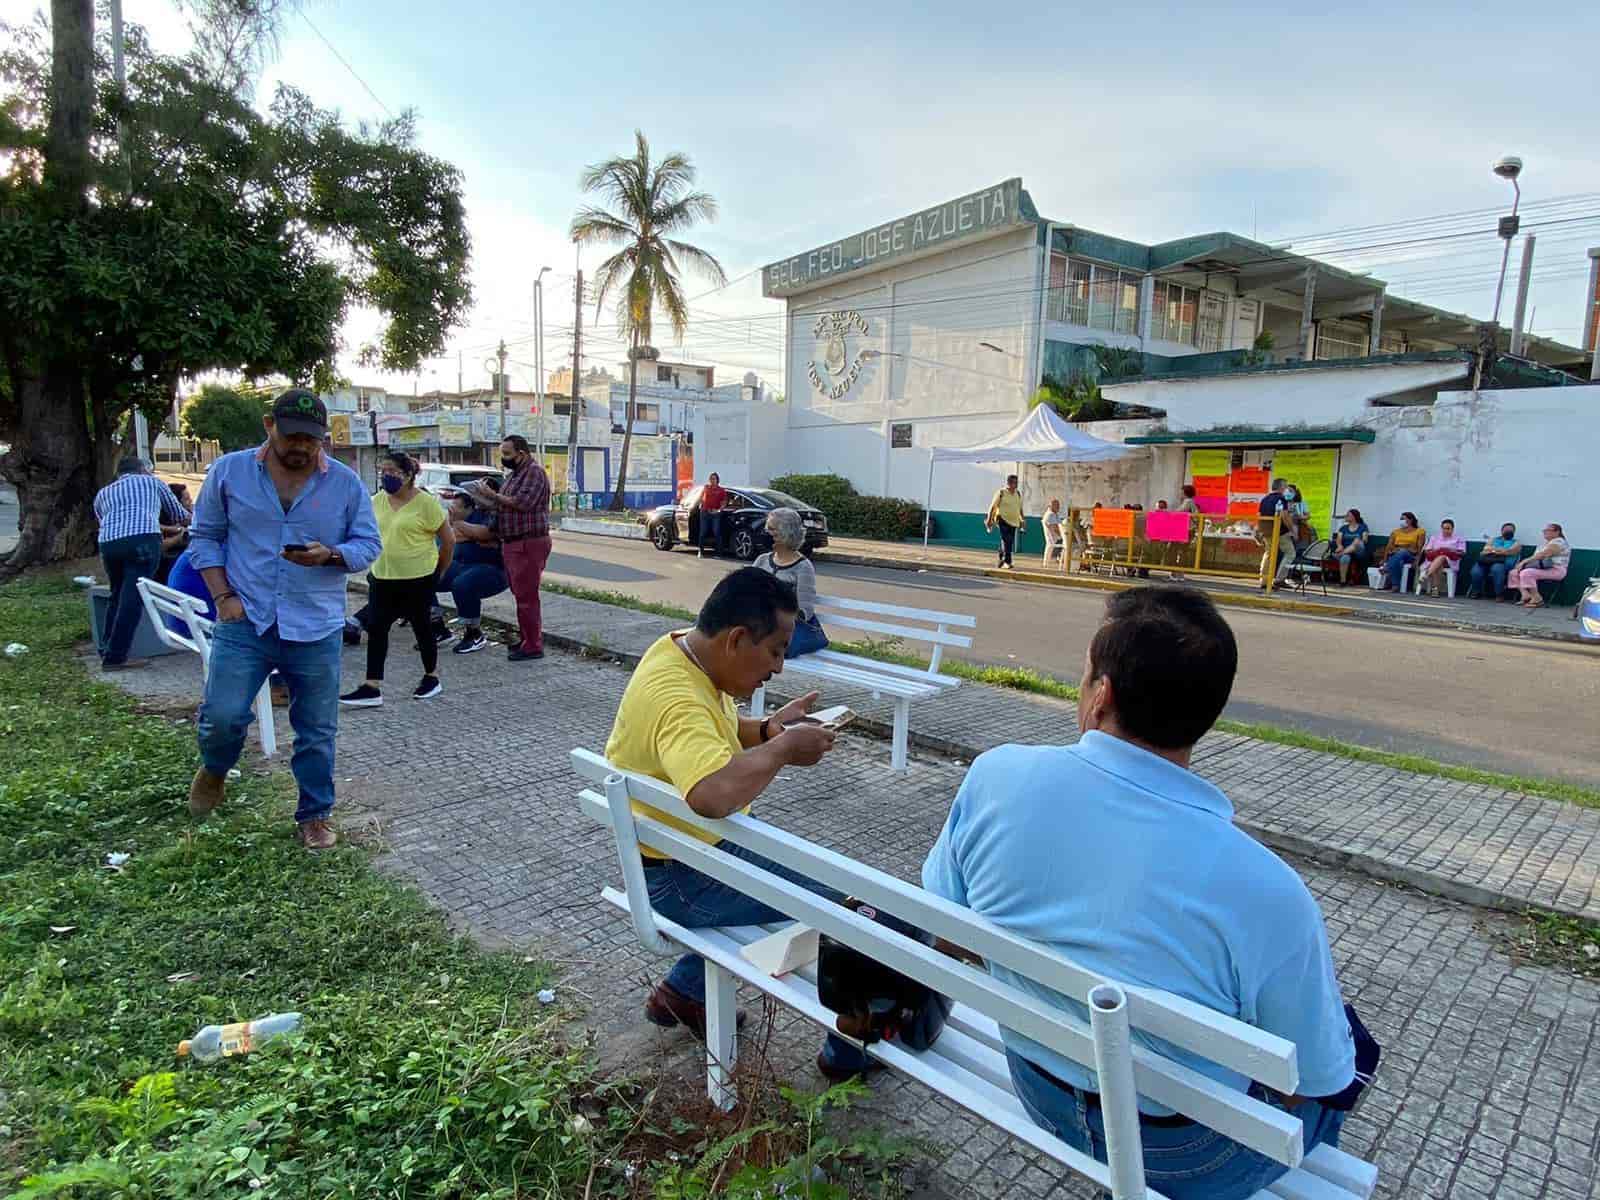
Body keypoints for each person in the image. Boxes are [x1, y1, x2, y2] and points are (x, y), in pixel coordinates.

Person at [922, 588, 1356, 1199]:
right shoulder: (1268, 889)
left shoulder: (996, 774)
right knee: (1347, 1055)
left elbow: (947, 918)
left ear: (1102, 695)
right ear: (1209, 712)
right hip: (1185, 1156)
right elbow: (1314, 1078)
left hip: (1040, 1086)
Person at [604, 568, 872, 1080]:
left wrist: (770, 727)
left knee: (809, 877)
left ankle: (682, 993)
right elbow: (711, 794)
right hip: (682, 878)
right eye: (774, 651)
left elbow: (715, 730)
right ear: (736, 639)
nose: (778, 668)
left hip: (683, 856)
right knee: (845, 906)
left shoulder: (680, 651)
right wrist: (783, 749)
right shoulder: (678, 698)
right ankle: (848, 1049)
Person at [187, 388, 381, 851]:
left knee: (316, 728)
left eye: (311, 440)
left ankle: (314, 814)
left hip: (315, 625)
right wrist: (223, 596)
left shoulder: (345, 484)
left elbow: (368, 546)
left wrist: (331, 555)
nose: (301, 447)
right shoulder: (230, 472)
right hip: (244, 619)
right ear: (269, 425)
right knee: (222, 717)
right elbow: (205, 537)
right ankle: (215, 768)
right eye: (292, 436)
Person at [340, 452, 453, 707]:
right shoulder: (376, 501)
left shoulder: (426, 503)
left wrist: (439, 572)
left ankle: (431, 677)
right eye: (384, 471)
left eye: (393, 472)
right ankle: (372, 686)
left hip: (418, 578)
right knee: (377, 629)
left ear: (409, 475)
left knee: (422, 627)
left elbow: (448, 540)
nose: (387, 476)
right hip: (382, 576)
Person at [92, 457, 191, 669]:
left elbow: (105, 520)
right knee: (133, 599)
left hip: (108, 544)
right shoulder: (151, 482)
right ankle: (115, 658)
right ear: (144, 470)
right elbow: (179, 515)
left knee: (116, 595)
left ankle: (106, 648)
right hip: (143, 541)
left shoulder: (104, 493)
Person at [467, 435, 551, 661]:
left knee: (527, 597)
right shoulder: (515, 475)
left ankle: (533, 645)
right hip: (513, 542)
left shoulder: (534, 472)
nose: (504, 459)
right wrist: (482, 497)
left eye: (507, 454)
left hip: (528, 542)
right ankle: (526, 639)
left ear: (521, 453)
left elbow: (522, 503)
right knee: (521, 595)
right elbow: (502, 506)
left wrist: (493, 495)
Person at [437, 484, 508, 654]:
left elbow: (484, 533)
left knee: (463, 584)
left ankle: (474, 634)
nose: (476, 496)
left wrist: (464, 528)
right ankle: (437, 628)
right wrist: (470, 533)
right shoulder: (473, 513)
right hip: (462, 564)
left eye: (481, 492)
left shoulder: (498, 514)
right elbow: (452, 536)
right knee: (424, 575)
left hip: (493, 569)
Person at [754, 508, 827, 657]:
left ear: (786, 534)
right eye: (766, 528)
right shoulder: (762, 560)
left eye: (771, 529)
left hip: (783, 629)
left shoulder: (803, 567)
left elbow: (805, 611)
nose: (766, 533)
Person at [1507, 522, 1571, 608]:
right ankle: (1526, 596)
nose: (1545, 532)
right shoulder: (1544, 543)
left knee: (1527, 573)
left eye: (1548, 530)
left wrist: (1524, 562)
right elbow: (1536, 557)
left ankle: (1537, 599)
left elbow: (1544, 554)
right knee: (1513, 573)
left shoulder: (1559, 542)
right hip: (1541, 567)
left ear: (1557, 532)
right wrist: (1522, 565)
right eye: (1544, 530)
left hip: (1556, 569)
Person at [1256, 478, 1297, 590]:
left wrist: (1259, 530)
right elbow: (1284, 516)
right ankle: (1279, 579)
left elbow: (1259, 515)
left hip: (1267, 531)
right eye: (1286, 486)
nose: (1287, 489)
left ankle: (1264, 581)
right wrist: (1293, 530)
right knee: (1290, 553)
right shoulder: (1281, 499)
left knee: (1269, 554)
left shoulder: (1265, 499)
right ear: (1281, 487)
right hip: (1280, 532)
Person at [1467, 523, 1521, 600]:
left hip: (1504, 563)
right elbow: (1484, 551)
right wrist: (1501, 551)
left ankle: (1499, 594)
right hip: (1487, 561)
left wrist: (1493, 550)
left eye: (1510, 530)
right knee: (1476, 571)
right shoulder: (1493, 539)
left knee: (1496, 568)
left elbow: (1510, 551)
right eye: (1506, 530)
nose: (1508, 531)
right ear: (1502, 531)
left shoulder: (1516, 543)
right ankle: (1476, 591)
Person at [1378, 512, 1426, 592]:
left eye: (1403, 519)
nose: (1401, 521)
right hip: (1395, 554)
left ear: (1410, 520)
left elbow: (1420, 548)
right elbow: (1389, 546)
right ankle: (1395, 585)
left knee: (1402, 551)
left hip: (1410, 555)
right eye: (1400, 519)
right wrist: (1384, 559)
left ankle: (1386, 568)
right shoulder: (1395, 532)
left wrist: (1417, 560)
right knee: (1399, 560)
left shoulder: (1420, 531)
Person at [1417, 519, 1466, 596]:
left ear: (1452, 529)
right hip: (1433, 560)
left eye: (1448, 529)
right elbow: (1427, 551)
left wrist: (1451, 550)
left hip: (1450, 561)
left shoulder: (1459, 538)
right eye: (1444, 528)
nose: (1446, 531)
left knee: (1442, 556)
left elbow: (1462, 553)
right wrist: (1437, 551)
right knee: (1439, 562)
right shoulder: (1434, 537)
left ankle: (1426, 575)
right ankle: (1435, 590)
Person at [986, 474, 1024, 570]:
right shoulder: (1001, 492)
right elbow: (993, 507)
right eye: (1013, 482)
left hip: (1014, 521)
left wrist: (1022, 520)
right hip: (1001, 519)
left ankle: (1001, 557)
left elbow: (1019, 508)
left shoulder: (1018, 494)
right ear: (1008, 483)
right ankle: (1008, 562)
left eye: (1016, 483)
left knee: (1009, 541)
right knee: (1006, 540)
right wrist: (989, 520)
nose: (1015, 485)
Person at [1328, 509, 1370, 585]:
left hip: (1359, 551)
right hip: (1347, 550)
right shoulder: (1343, 528)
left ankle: (1340, 554)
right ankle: (1343, 581)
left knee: (1357, 541)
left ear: (1353, 517)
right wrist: (1340, 546)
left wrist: (1358, 541)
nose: (1346, 516)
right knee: (1345, 558)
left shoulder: (1363, 527)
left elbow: (1365, 540)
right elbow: (1338, 539)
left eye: (1347, 515)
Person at [697, 472, 729, 558]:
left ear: (717, 480)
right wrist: (700, 505)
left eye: (714, 478)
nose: (712, 480)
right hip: (705, 512)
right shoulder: (706, 487)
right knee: (702, 532)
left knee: (716, 532)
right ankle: (700, 551)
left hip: (715, 513)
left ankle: (718, 553)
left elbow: (724, 502)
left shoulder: (721, 490)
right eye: (711, 478)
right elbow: (701, 498)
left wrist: (719, 510)